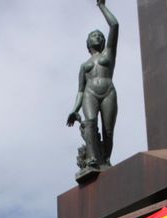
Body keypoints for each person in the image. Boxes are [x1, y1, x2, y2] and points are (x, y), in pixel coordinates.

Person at [66, 0, 118, 170]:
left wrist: (102, 6)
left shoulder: (109, 54)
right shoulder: (84, 66)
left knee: (108, 130)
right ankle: (92, 159)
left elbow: (115, 25)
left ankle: (106, 160)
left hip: (108, 91)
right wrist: (74, 109)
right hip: (90, 93)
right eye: (94, 36)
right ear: (88, 43)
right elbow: (80, 91)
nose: (98, 37)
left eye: (100, 36)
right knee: (90, 122)